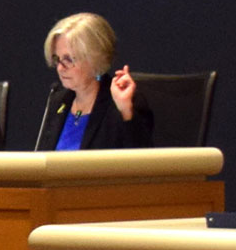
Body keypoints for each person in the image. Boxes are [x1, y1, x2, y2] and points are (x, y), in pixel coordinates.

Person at [36, 13, 152, 150]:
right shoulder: (59, 100)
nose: (60, 68)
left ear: (95, 60)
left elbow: (141, 162)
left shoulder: (121, 103)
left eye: (69, 59)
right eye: (57, 58)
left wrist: (126, 111)